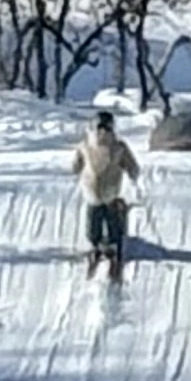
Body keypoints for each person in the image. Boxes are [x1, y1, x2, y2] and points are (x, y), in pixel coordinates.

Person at [70, 110, 141, 285]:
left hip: (92, 191)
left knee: (94, 217)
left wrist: (78, 170)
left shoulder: (85, 145)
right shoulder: (118, 147)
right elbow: (133, 167)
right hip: (110, 192)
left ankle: (96, 243)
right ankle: (113, 242)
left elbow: (74, 166)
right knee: (111, 216)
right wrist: (133, 174)